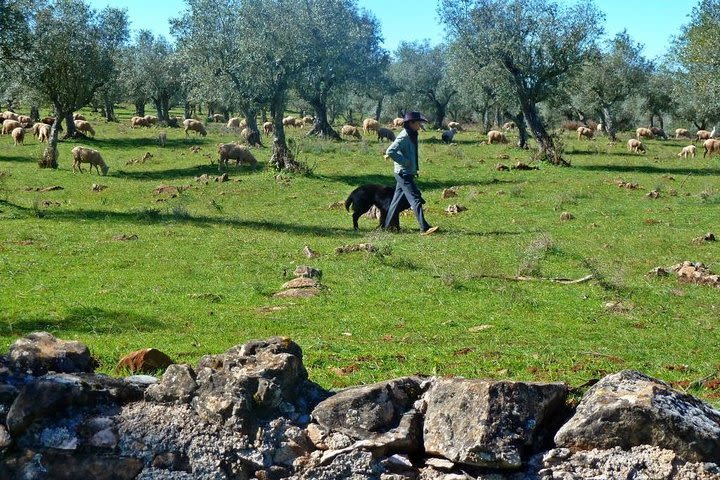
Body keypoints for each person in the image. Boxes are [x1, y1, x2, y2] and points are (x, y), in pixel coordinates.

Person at [384, 111, 438, 235]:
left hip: (405, 172)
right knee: (415, 198)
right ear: (411, 123)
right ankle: (424, 228)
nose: (420, 125)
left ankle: (387, 227)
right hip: (403, 173)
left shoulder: (412, 133)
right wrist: (405, 162)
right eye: (418, 123)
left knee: (396, 202)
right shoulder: (404, 136)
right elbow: (390, 151)